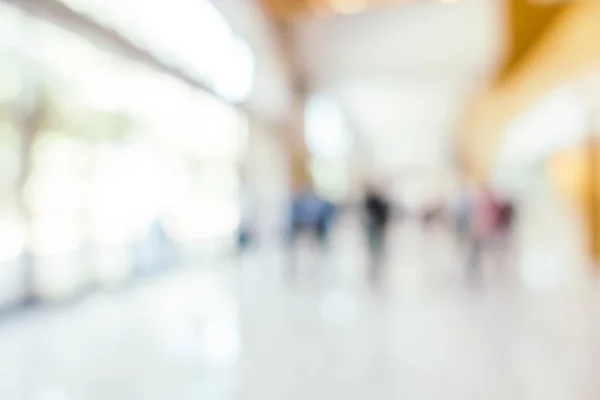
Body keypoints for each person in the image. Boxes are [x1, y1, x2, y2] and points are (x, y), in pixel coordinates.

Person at [364, 184, 391, 276]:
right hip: (375, 225)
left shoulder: (377, 201)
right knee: (374, 240)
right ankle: (375, 253)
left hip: (377, 224)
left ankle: (376, 253)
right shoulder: (373, 201)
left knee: (376, 240)